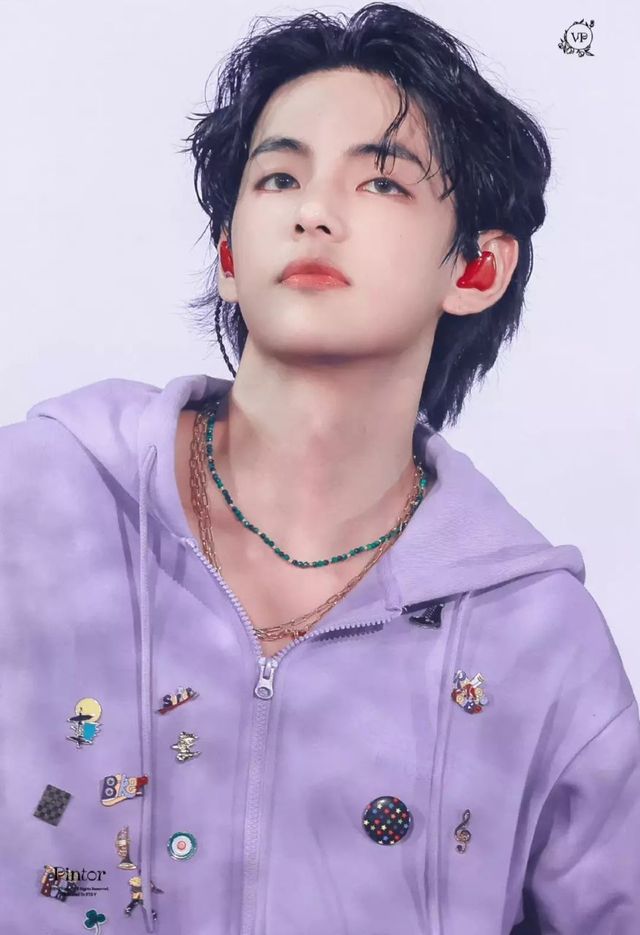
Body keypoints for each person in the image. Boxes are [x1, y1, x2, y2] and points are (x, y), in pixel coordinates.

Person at [1, 4, 638, 933]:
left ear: (476, 270)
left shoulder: (539, 643)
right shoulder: (33, 503)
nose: (312, 210)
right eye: (278, 177)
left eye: (381, 181)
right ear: (229, 254)